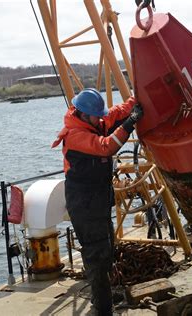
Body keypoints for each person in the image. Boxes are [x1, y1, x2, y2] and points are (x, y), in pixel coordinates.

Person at [52, 88, 143, 315]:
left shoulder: (94, 122)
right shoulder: (75, 135)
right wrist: (131, 123)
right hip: (84, 204)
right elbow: (106, 146)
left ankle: (106, 298)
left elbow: (118, 112)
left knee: (107, 248)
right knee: (97, 255)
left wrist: (139, 97)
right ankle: (102, 309)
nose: (101, 118)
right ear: (83, 114)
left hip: (98, 200)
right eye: (97, 115)